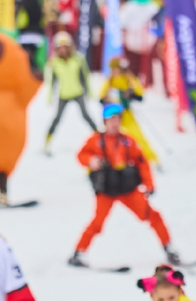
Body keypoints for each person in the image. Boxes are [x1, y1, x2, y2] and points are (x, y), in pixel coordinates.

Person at [69, 104, 181, 267]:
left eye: (117, 119)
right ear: (105, 122)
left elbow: (142, 162)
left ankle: (169, 249)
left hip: (127, 189)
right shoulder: (96, 140)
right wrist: (91, 161)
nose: (115, 123)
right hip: (106, 190)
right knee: (97, 223)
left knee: (153, 216)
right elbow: (81, 155)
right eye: (111, 120)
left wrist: (149, 184)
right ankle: (78, 253)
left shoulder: (128, 141)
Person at [43, 31, 98, 153]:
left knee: (86, 116)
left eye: (65, 46)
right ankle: (47, 142)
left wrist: (89, 92)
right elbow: (52, 82)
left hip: (78, 92)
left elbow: (85, 76)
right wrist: (50, 97)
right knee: (57, 118)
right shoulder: (55, 62)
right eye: (60, 47)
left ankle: (100, 138)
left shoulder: (78, 59)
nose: (63, 49)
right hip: (64, 94)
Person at [100, 56, 158, 164]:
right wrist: (105, 99)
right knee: (109, 138)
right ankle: (110, 161)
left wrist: (130, 94)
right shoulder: (109, 81)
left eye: (116, 68)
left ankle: (151, 159)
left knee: (138, 137)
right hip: (112, 114)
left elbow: (140, 97)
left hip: (126, 114)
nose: (114, 71)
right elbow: (101, 98)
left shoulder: (129, 79)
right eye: (112, 69)